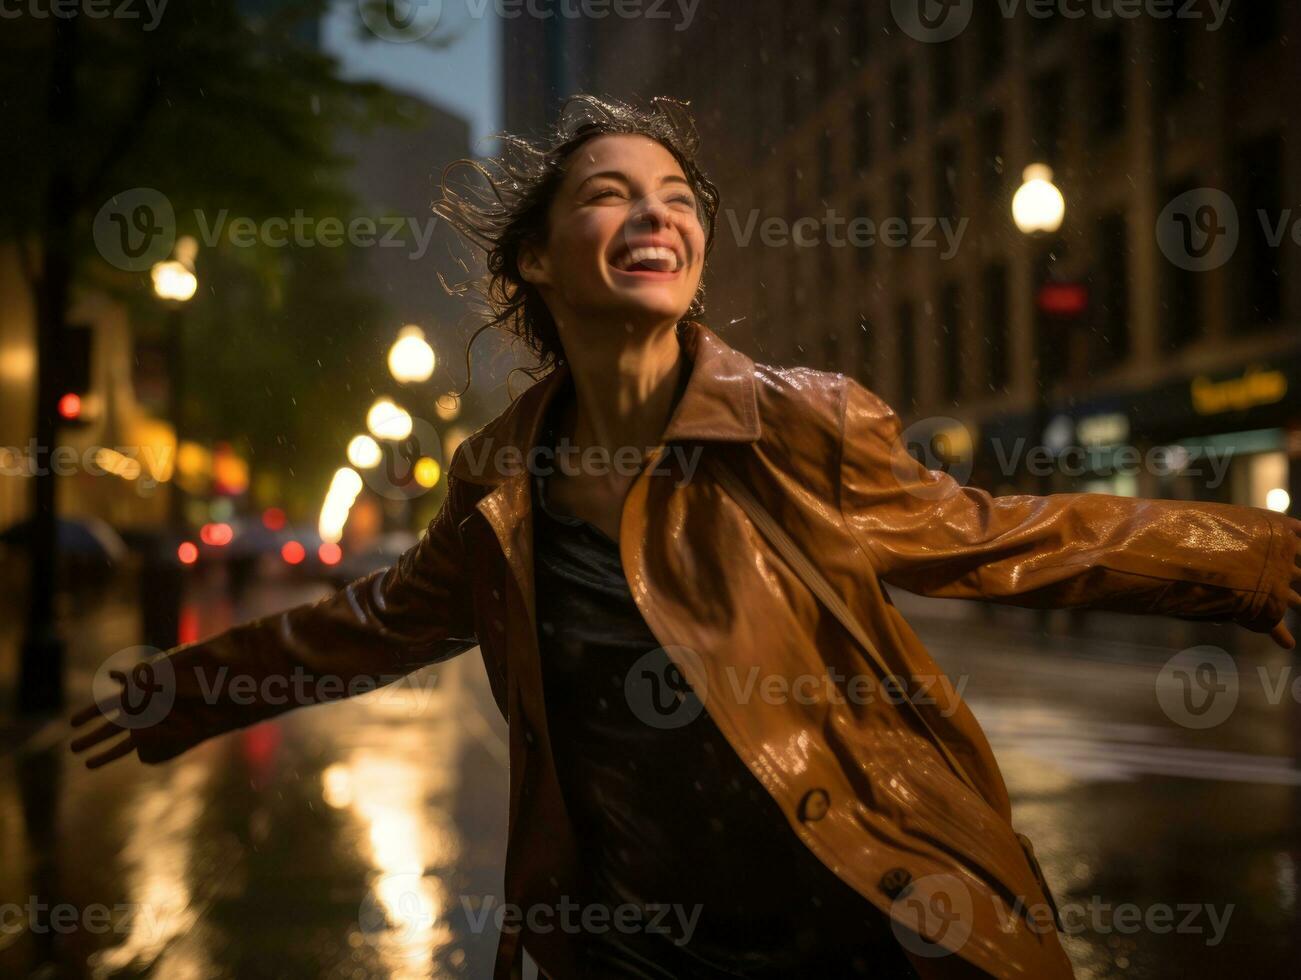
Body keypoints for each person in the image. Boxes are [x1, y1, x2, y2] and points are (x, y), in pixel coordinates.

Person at [71, 95, 1301, 980]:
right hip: (627, 938)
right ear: (537, 263)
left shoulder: (792, 423)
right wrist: (191, 685)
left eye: (674, 199)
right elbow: (379, 620)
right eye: (608, 195)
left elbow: (1002, 533)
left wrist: (1258, 561)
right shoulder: (501, 475)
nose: (652, 214)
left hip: (847, 908)